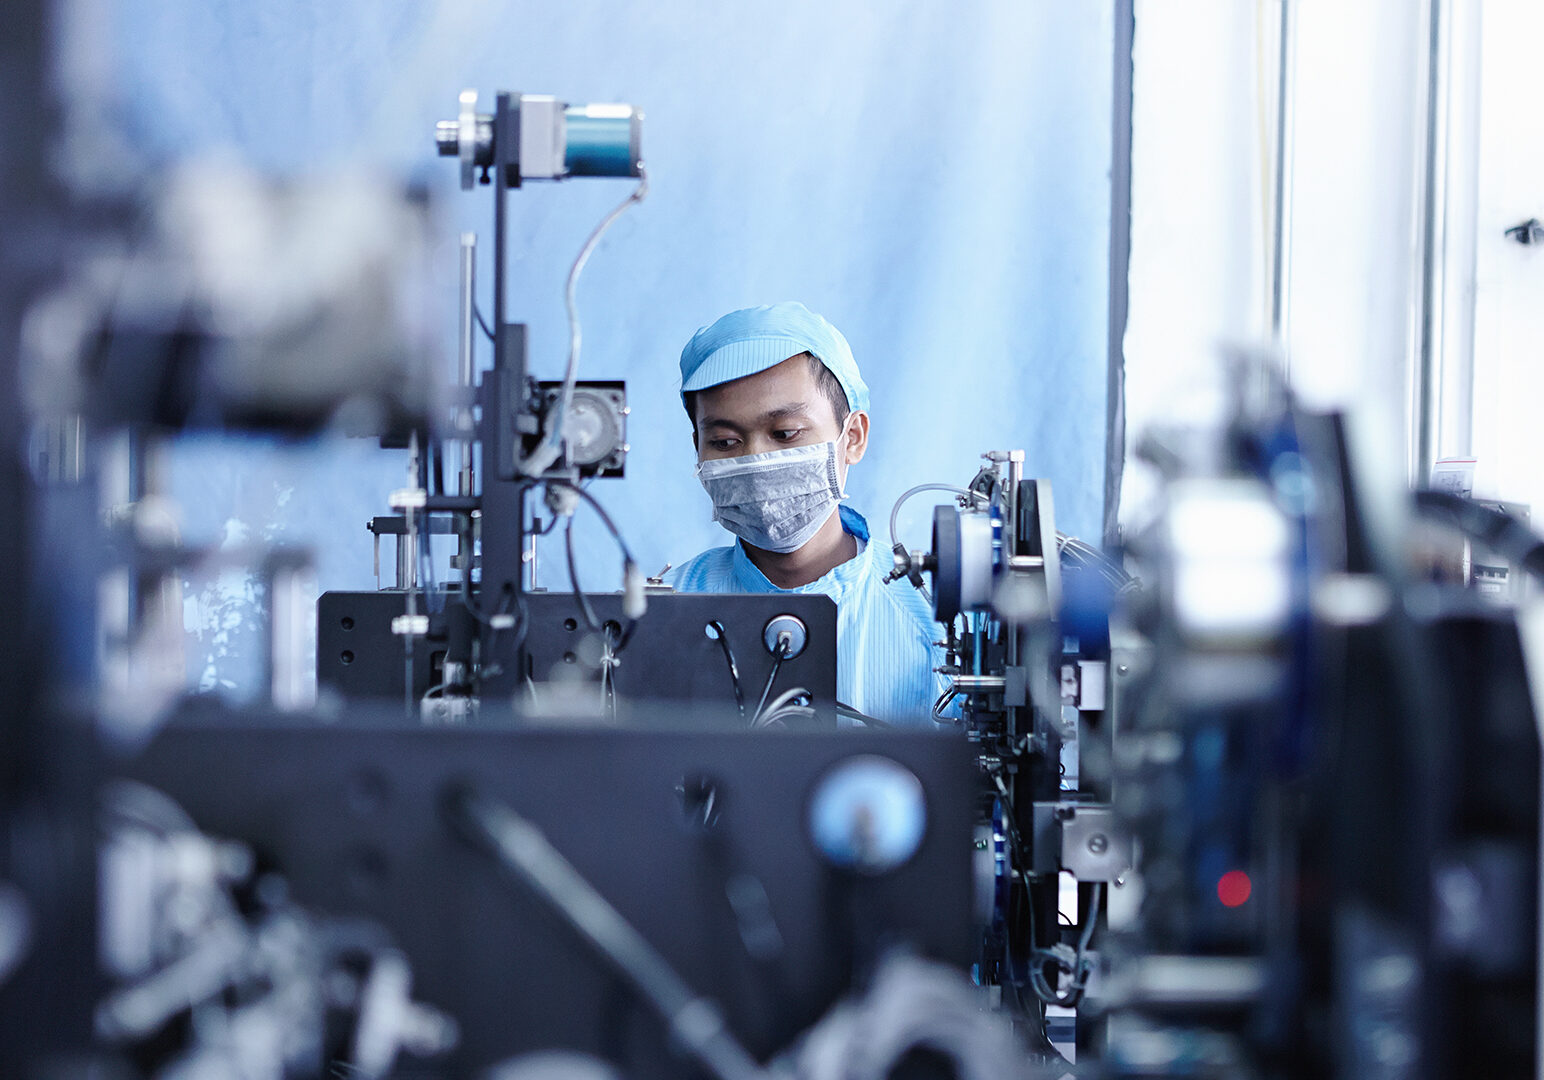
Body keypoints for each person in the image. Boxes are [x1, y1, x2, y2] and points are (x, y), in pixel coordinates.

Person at [668, 301, 945, 727]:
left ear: (851, 437)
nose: (757, 460)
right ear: (698, 448)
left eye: (785, 434)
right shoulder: (665, 609)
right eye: (725, 441)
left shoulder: (937, 618)